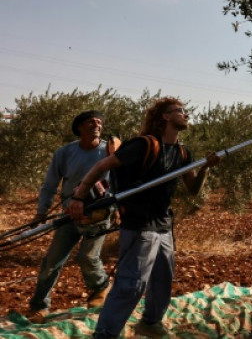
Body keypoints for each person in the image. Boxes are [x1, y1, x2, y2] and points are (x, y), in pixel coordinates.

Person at [68, 98, 219, 339]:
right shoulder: (144, 145)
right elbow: (102, 166)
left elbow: (193, 190)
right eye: (180, 111)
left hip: (164, 224)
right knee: (132, 284)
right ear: (166, 117)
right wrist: (79, 196)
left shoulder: (182, 151)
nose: (186, 115)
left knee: (162, 280)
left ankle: (150, 322)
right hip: (140, 224)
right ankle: (105, 333)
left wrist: (205, 168)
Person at [25, 110, 119, 324]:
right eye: (90, 122)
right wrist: (41, 212)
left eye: (99, 122)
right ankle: (39, 307)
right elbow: (49, 184)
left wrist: (116, 209)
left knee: (87, 257)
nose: (96, 125)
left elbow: (121, 183)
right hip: (69, 214)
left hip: (98, 215)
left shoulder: (111, 152)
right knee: (52, 261)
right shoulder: (64, 153)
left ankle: (101, 288)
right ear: (79, 128)